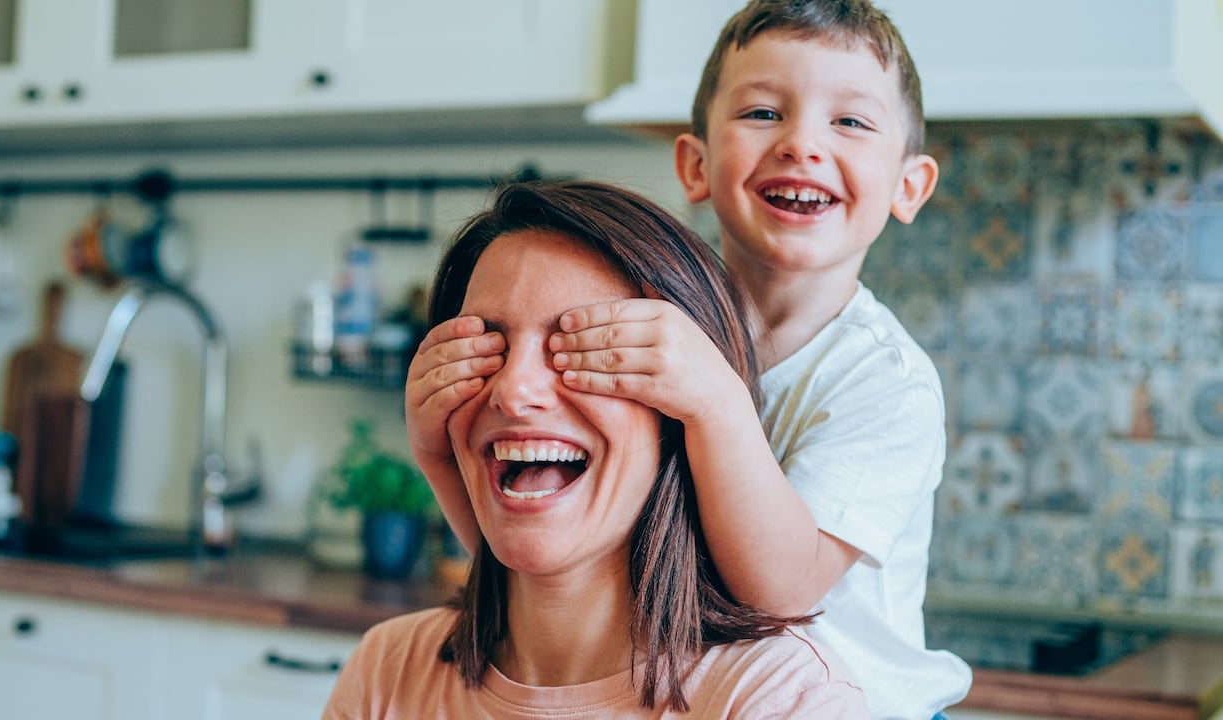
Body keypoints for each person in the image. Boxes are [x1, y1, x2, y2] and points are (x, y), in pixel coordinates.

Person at [407, 2, 971, 718]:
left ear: (909, 186)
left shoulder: (887, 381)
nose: (802, 144)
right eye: (764, 113)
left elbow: (784, 591)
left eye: (850, 122)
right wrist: (437, 452)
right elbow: (534, 541)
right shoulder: (656, 326)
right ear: (695, 165)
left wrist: (716, 402)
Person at [327, 181, 869, 718]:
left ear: (685, 415)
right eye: (485, 348)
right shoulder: (385, 671)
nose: (514, 392)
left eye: (589, 350)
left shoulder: (782, 700)